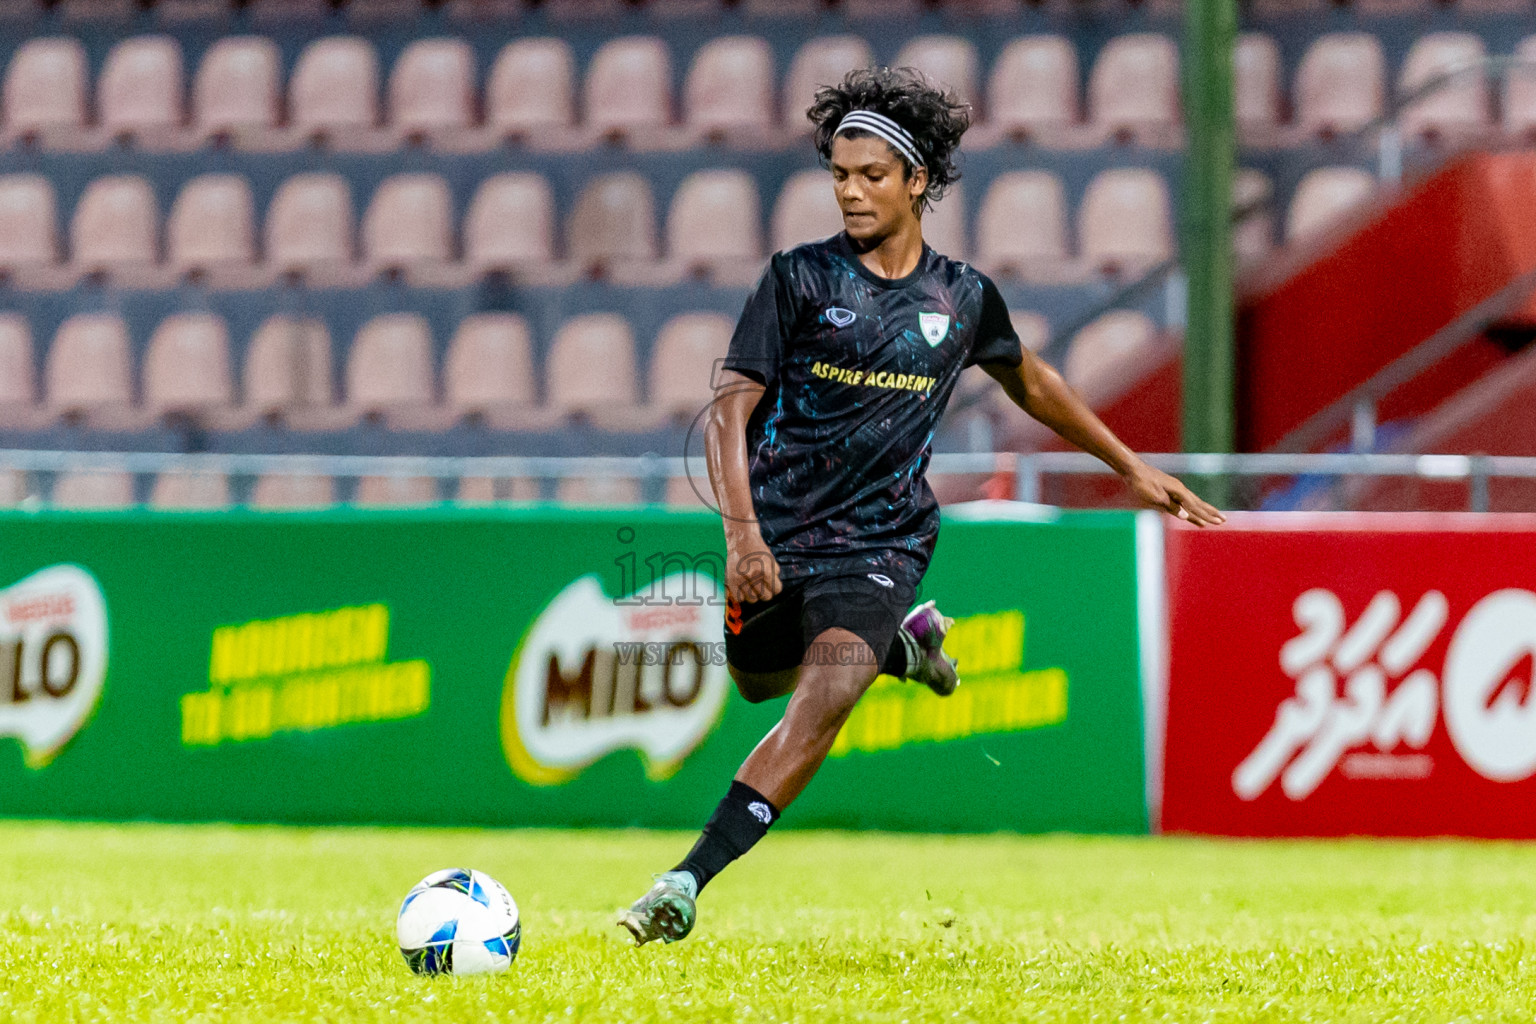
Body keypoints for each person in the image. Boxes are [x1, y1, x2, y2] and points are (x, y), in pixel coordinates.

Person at [618, 66, 1225, 946]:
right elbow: (728, 412)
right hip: (779, 531)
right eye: (838, 175)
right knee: (757, 683)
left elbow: (1033, 380)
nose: (852, 191)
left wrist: (1131, 465)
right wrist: (743, 536)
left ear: (917, 182)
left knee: (823, 699)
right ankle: (905, 650)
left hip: (884, 539)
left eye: (871, 175)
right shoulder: (797, 280)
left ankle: (683, 883)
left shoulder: (963, 297)